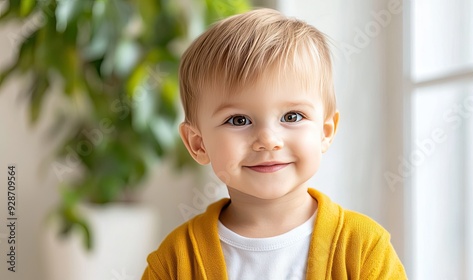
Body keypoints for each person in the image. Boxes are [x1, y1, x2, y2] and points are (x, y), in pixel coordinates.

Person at [142, 8, 406, 280]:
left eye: (292, 116)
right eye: (238, 120)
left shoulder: (365, 249)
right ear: (198, 144)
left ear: (325, 132)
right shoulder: (174, 261)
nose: (268, 140)